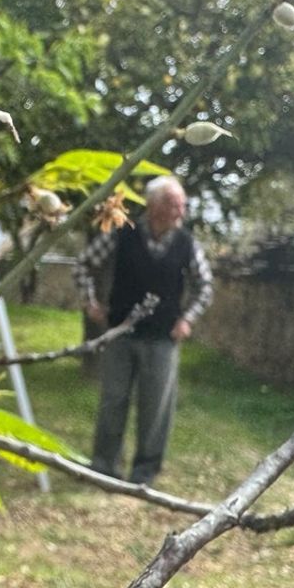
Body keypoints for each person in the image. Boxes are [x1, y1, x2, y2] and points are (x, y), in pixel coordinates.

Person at [71, 175, 213, 485]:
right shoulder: (123, 233)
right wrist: (89, 302)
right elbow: (83, 265)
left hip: (163, 338)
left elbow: (205, 287)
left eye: (182, 205)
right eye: (174, 204)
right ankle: (104, 467)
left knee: (155, 409)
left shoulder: (186, 243)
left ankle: (144, 472)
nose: (180, 211)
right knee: (113, 401)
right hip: (120, 334)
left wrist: (187, 319)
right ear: (154, 205)